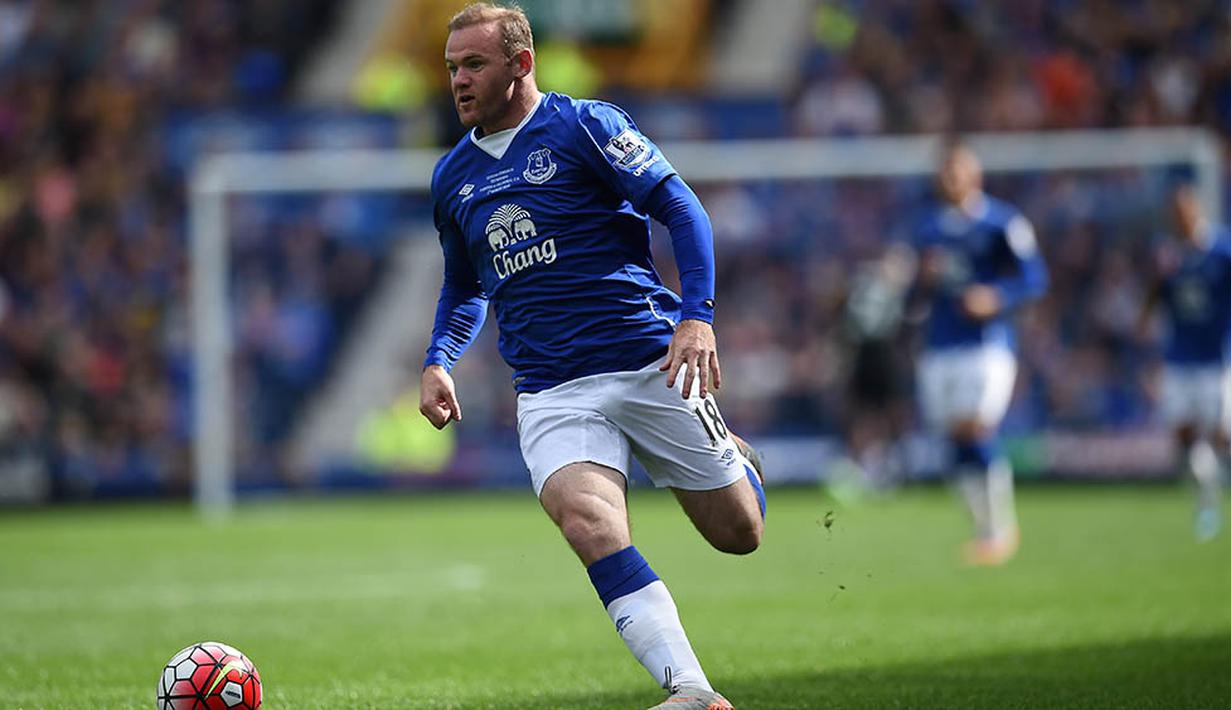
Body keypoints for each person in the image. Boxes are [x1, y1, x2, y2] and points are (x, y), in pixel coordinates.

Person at [418, 4, 765, 708]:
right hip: (550, 389)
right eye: (452, 67)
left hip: (647, 360)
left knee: (738, 535)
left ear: (521, 63)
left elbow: (680, 208)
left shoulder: (585, 126)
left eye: (474, 64)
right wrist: (438, 358)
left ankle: (735, 456)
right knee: (587, 521)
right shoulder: (452, 178)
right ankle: (691, 691)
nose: (458, 80)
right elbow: (463, 284)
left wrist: (696, 319)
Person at [909, 140, 1048, 565]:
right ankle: (982, 531)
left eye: (958, 171)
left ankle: (999, 530)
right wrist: (923, 280)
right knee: (954, 439)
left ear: (974, 176)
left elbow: (1035, 278)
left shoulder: (1002, 223)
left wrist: (996, 297)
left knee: (976, 429)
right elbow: (912, 299)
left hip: (985, 347)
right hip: (939, 346)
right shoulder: (927, 229)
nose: (950, 180)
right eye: (945, 173)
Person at [1138, 184, 1231, 542]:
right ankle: (1207, 502)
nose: (1180, 217)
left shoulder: (1222, 251)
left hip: (1216, 358)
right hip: (1179, 358)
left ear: (1198, 210)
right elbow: (1156, 297)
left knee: (1222, 436)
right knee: (1183, 434)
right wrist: (1145, 316)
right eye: (1174, 212)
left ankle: (1211, 494)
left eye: (1185, 210)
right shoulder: (1167, 256)